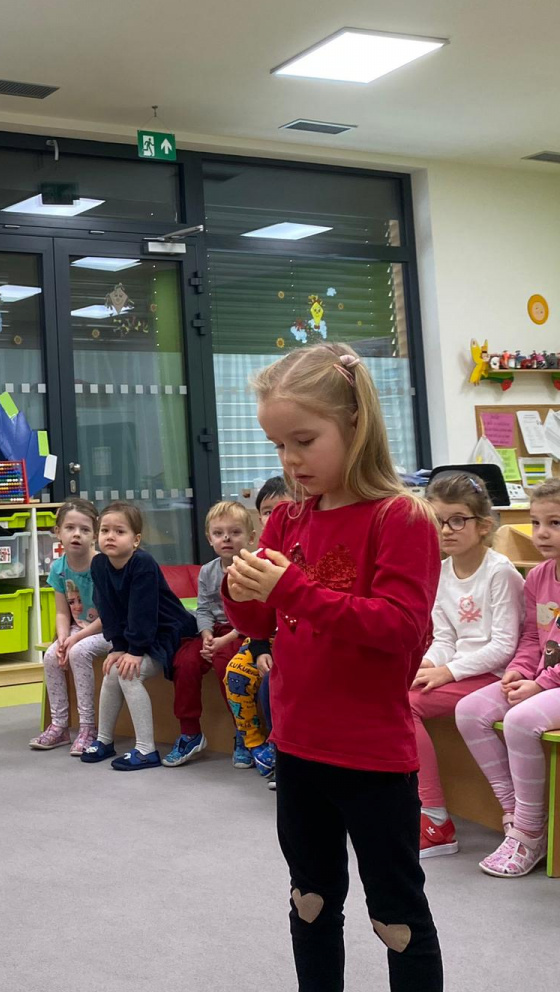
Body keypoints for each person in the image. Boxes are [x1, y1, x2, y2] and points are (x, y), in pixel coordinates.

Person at [225, 342, 443, 992]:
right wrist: (243, 592)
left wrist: (290, 589)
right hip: (298, 747)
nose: (290, 461)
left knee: (395, 917)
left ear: (356, 424)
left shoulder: (401, 517)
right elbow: (261, 625)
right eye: (278, 446)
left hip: (373, 757)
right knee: (310, 900)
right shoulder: (287, 520)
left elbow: (399, 629)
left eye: (304, 440)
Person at [411, 471, 524, 858]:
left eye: (457, 520)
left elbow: (505, 647)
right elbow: (445, 639)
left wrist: (446, 672)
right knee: (396, 694)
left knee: (405, 705)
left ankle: (434, 818)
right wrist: (423, 665)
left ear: (484, 526)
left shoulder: (500, 571)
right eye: (439, 520)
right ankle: (424, 809)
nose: (446, 530)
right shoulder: (441, 572)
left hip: (494, 675)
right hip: (462, 671)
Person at [454, 478, 560, 878]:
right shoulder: (538, 577)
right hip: (543, 678)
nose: (541, 533)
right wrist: (519, 669)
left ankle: (530, 833)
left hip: (552, 684)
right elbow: (533, 637)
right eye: (536, 522)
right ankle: (517, 814)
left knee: (520, 720)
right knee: (469, 710)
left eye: (555, 523)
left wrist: (540, 684)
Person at [80, 502, 197, 770]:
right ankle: (104, 740)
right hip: (138, 636)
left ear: (136, 540)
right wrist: (118, 647)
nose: (110, 536)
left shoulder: (142, 563)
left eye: (119, 531)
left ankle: (146, 750)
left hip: (169, 632)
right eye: (105, 530)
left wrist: (134, 650)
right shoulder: (99, 564)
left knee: (127, 674)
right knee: (112, 671)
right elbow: (107, 609)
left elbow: (143, 611)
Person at [167, 500, 252, 769]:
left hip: (240, 633)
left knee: (226, 665)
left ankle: (244, 733)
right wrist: (205, 636)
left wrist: (223, 641)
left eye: (235, 532)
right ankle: (190, 732)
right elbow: (203, 608)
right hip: (213, 632)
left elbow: (255, 616)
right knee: (185, 661)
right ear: (209, 538)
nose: (226, 538)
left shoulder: (253, 568)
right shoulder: (207, 571)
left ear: (250, 537)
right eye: (218, 533)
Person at [29, 498, 111, 754]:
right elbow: (62, 612)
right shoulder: (59, 568)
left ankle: (88, 727)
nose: (77, 534)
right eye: (70, 528)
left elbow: (109, 616)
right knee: (51, 655)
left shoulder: (103, 566)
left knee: (78, 652)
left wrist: (75, 640)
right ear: (58, 532)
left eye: (85, 530)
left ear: (94, 535)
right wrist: (63, 639)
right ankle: (60, 725)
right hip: (78, 630)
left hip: (107, 630)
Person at [254, 475, 293, 789]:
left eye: (283, 510)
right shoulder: (259, 557)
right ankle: (270, 745)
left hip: (297, 646)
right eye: (268, 512)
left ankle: (282, 750)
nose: (275, 518)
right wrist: (260, 649)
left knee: (274, 682)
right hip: (268, 645)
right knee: (248, 676)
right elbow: (257, 619)